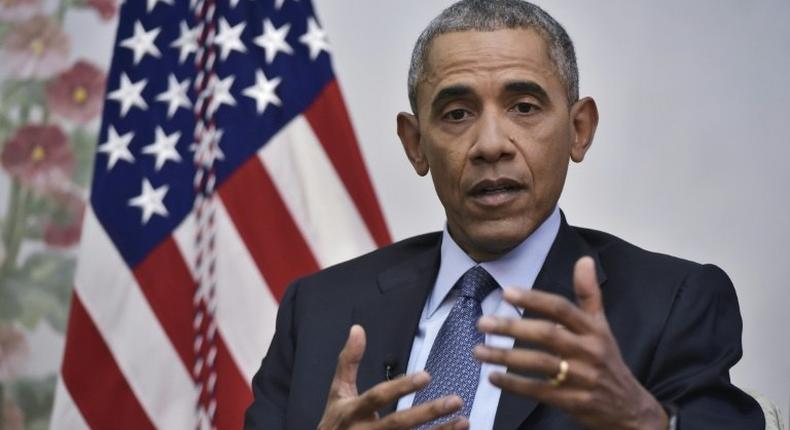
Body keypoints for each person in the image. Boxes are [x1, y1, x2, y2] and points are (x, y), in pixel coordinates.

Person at [244, 1, 765, 428]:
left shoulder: (674, 303)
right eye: (457, 114)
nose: (491, 145)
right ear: (415, 144)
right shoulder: (318, 311)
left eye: (524, 107)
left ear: (579, 129)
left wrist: (645, 421)